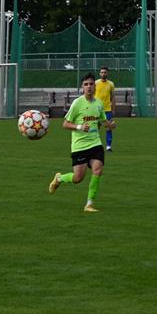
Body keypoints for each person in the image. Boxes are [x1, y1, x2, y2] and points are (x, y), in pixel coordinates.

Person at [48, 72, 116, 212]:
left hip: (95, 143)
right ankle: (59, 178)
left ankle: (89, 204)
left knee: (98, 169)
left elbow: (102, 120)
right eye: (86, 84)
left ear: (95, 86)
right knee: (78, 178)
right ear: (82, 87)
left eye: (91, 84)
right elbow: (65, 124)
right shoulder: (77, 103)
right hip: (79, 146)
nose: (89, 87)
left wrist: (110, 125)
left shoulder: (98, 104)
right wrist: (79, 127)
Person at [95, 66, 115, 151]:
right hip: (96, 110)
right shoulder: (95, 83)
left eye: (105, 72)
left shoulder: (111, 84)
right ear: (100, 74)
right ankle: (95, 145)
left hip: (107, 109)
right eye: (102, 72)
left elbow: (113, 97)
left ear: (107, 73)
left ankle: (108, 146)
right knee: (96, 128)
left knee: (108, 127)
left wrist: (113, 109)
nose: (103, 74)